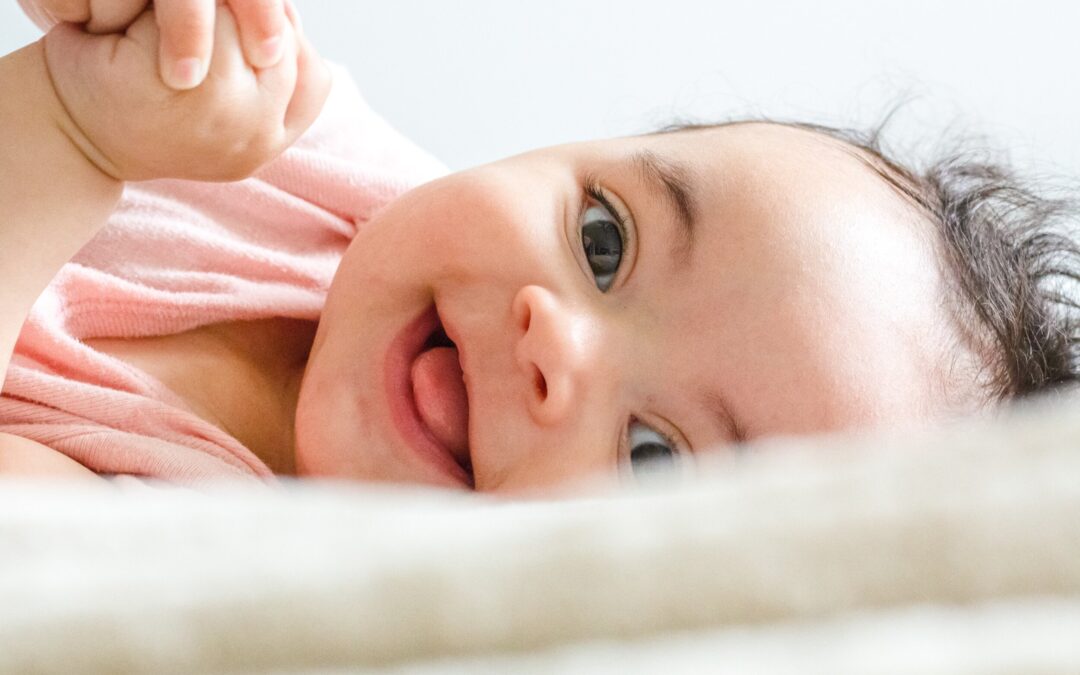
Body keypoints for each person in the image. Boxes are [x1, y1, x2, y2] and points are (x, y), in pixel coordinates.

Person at [1, 0, 1076, 493]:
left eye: (652, 458)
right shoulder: (333, 165)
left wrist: (65, 131)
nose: (555, 338)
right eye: (602, 239)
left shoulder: (192, 544)